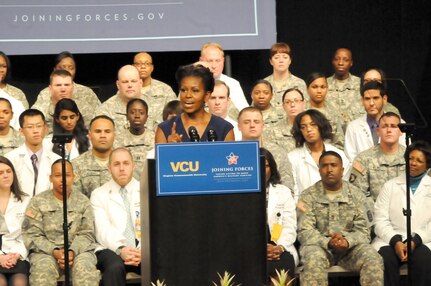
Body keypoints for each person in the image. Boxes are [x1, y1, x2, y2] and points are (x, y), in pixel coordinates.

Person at [297, 151, 384, 286]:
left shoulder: (358, 195)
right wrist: (328, 242)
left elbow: (364, 231)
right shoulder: (307, 196)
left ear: (342, 170)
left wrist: (347, 241)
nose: (329, 169)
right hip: (320, 248)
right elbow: (305, 231)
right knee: (312, 259)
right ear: (319, 170)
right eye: (324, 166)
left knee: (373, 258)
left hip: (350, 249)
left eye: (333, 165)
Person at [22, 159, 100, 286]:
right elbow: (31, 234)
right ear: (50, 178)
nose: (63, 179)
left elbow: (87, 233)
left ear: (74, 177)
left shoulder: (83, 201)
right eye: (58, 175)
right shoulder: (37, 202)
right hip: (46, 253)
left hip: (79, 251)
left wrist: (72, 251)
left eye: (67, 175)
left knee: (85, 270)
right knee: (42, 272)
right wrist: (54, 251)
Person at [373, 140, 431, 286]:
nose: (413, 163)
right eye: (410, 158)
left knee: (423, 259)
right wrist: (395, 241)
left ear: (427, 166)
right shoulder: (390, 185)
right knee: (385, 259)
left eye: (419, 160)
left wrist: (415, 241)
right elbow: (379, 220)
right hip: (390, 239)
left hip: (423, 239)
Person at [91, 148, 141, 286]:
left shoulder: (145, 189)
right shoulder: (98, 194)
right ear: (109, 168)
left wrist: (142, 250)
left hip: (141, 248)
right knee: (114, 267)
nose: (122, 168)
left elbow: (153, 226)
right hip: (110, 248)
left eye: (126, 163)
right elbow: (102, 230)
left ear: (133, 166)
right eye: (116, 164)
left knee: (160, 263)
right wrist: (121, 249)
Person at [155, 64, 235, 143]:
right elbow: (161, 155)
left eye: (195, 90)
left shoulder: (224, 129)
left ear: (206, 95)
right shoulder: (164, 129)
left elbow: (229, 155)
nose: (188, 95)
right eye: (183, 90)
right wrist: (168, 149)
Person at [288, 109, 349, 202]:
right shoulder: (292, 157)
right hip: (306, 209)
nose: (308, 129)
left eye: (313, 125)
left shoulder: (338, 153)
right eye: (303, 127)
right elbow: (294, 190)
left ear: (321, 126)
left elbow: (346, 183)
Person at [33, 51, 101, 128]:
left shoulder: (87, 93)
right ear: (55, 69)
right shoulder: (45, 94)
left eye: (71, 68)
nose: (66, 71)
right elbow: (34, 119)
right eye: (62, 67)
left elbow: (100, 118)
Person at [349, 112, 406, 201]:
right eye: (384, 126)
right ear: (378, 131)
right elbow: (356, 193)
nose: (389, 130)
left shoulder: (410, 157)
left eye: (393, 126)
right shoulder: (363, 159)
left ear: (401, 131)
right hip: (374, 212)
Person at [5, 109, 61, 197]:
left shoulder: (56, 160)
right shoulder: (10, 159)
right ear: (21, 131)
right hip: (17, 209)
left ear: (45, 129)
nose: (35, 131)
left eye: (39, 126)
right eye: (30, 127)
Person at [261, 148, 298, 279]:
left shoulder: (283, 192)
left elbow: (290, 226)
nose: (261, 169)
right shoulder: (241, 193)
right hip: (251, 249)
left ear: (271, 168)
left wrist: (280, 247)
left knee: (282, 265)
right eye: (257, 165)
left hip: (279, 246)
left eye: (265, 166)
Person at [345, 81, 405, 162]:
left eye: (375, 98)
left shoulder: (400, 124)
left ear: (384, 99)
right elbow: (350, 159)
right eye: (367, 99)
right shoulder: (353, 127)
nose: (371, 103)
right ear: (362, 101)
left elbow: (404, 153)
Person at [238, 107, 294, 191]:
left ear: (262, 125)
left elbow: (287, 186)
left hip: (273, 201)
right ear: (239, 126)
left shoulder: (278, 152)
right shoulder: (232, 153)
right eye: (247, 122)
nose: (252, 125)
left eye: (256, 122)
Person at [0, 156, 30, 286]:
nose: (6, 175)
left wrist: (17, 254)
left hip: (17, 254)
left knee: (19, 282)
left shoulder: (26, 200)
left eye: (8, 171)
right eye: (0, 173)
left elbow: (28, 233)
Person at [199, 42, 248, 119]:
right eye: (210, 61)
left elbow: (245, 115)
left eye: (218, 61)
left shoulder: (233, 84)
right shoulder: (192, 84)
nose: (214, 66)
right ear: (201, 61)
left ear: (223, 61)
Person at [72, 115, 115, 198]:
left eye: (107, 131)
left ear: (114, 135)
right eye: (98, 131)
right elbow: (75, 199)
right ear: (90, 135)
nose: (102, 135)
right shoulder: (76, 165)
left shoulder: (124, 162)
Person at [133, 52, 177, 130]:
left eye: (147, 64)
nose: (143, 66)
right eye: (139, 64)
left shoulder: (165, 90)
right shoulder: (128, 90)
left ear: (152, 68)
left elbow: (175, 115)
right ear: (133, 67)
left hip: (160, 137)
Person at [94, 65, 143, 134]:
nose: (130, 85)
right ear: (118, 84)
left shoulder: (155, 105)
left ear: (141, 83)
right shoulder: (105, 111)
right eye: (125, 82)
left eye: (133, 81)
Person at [114, 98, 154, 180]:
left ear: (147, 117)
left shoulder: (155, 139)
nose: (137, 116)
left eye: (141, 113)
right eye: (132, 112)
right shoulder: (117, 140)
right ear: (126, 116)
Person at [326, 48, 364, 130]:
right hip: (331, 135)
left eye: (345, 60)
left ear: (351, 63)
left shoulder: (361, 84)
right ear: (333, 61)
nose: (340, 63)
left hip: (356, 133)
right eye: (337, 59)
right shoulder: (323, 85)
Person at [305, 72, 344, 149]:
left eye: (323, 87)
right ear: (307, 89)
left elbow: (340, 141)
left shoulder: (334, 110)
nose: (319, 91)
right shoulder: (301, 110)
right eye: (315, 87)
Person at [263, 42, 307, 112]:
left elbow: (305, 109)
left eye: (285, 57)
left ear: (290, 61)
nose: (281, 60)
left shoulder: (299, 83)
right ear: (271, 61)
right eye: (276, 57)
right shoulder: (264, 84)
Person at [265, 88, 305, 153]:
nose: (292, 105)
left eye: (296, 101)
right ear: (283, 106)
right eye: (287, 102)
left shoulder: (313, 126)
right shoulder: (273, 130)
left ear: (303, 103)